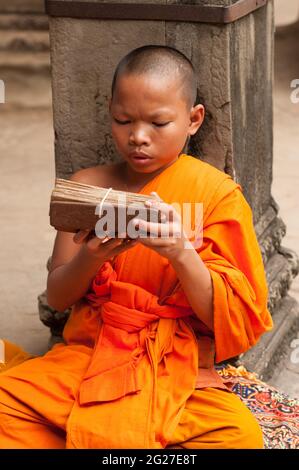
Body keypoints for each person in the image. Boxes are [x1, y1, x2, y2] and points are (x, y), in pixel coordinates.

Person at [0, 45, 273, 449]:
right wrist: (92, 257)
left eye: (159, 123)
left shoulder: (216, 195)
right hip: (90, 356)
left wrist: (182, 254)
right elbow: (58, 297)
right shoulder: (88, 186)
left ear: (193, 120)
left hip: (173, 365)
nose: (138, 137)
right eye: (122, 120)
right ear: (109, 111)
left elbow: (233, 319)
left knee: (239, 437)